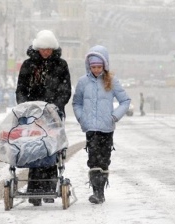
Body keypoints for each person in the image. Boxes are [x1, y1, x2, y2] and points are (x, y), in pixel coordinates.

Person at [15, 30, 72, 206]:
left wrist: (54, 106)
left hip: (53, 114)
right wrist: (26, 106)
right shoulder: (28, 65)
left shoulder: (61, 65)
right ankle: (34, 188)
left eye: (49, 49)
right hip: (32, 114)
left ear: (53, 49)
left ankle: (49, 186)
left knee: (51, 148)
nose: (46, 52)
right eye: (43, 49)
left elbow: (66, 90)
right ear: (37, 48)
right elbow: (21, 89)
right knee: (33, 148)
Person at [72, 45, 131, 204]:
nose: (96, 70)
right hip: (91, 128)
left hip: (107, 128)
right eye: (93, 67)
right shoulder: (83, 82)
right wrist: (81, 117)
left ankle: (101, 191)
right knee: (93, 160)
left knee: (104, 160)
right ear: (88, 66)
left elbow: (125, 101)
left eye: (99, 66)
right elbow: (76, 103)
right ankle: (96, 192)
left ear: (104, 66)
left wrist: (115, 116)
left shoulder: (111, 81)